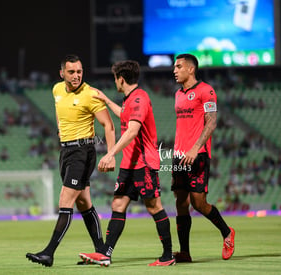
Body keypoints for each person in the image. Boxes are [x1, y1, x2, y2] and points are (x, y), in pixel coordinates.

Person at [79, 60, 175, 267]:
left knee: (153, 206)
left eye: (115, 78)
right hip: (130, 165)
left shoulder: (140, 98)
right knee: (118, 204)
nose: (115, 82)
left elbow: (132, 130)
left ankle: (168, 255)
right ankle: (106, 254)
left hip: (144, 163)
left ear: (120, 79)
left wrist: (110, 153)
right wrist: (105, 99)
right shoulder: (130, 99)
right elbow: (124, 115)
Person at [26, 54, 116, 267]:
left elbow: (109, 125)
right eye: (71, 72)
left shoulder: (91, 95)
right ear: (62, 73)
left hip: (82, 151)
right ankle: (101, 252)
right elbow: (59, 110)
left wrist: (110, 154)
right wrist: (60, 130)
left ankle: (48, 253)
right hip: (66, 151)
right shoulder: (56, 89)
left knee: (65, 201)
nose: (76, 76)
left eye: (79, 71)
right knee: (84, 203)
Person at [171, 53, 235, 262]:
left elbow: (212, 122)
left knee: (198, 203)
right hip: (179, 156)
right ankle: (185, 253)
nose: (175, 70)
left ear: (191, 69)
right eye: (174, 67)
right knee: (181, 202)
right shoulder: (178, 94)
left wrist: (195, 148)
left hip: (197, 155)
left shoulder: (206, 91)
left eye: (179, 66)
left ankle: (227, 232)